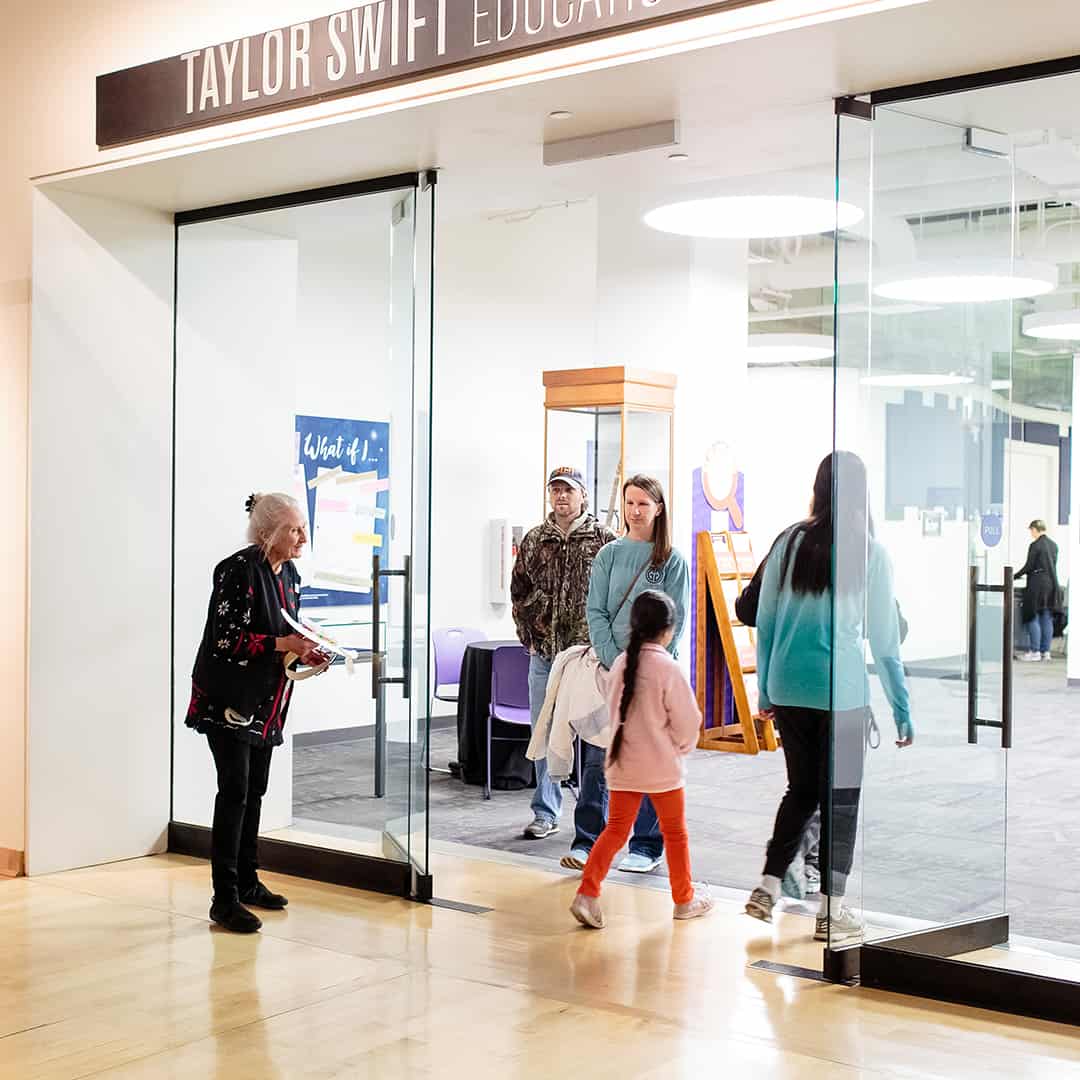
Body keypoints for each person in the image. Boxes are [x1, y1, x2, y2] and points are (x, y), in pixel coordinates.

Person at [744, 452, 913, 943]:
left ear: (818, 488)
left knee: (801, 791)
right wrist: (902, 709)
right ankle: (831, 910)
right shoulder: (870, 552)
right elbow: (885, 643)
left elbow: (768, 620)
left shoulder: (790, 542)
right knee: (840, 802)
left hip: (791, 690)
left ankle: (768, 884)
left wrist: (767, 689)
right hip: (841, 696)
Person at [186, 493, 325, 933]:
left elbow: (287, 634)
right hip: (227, 701)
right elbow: (226, 641)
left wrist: (308, 650)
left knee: (256, 790)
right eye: (293, 529)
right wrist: (286, 645)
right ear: (266, 534)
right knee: (235, 792)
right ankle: (223, 898)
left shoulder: (291, 574)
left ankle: (247, 883)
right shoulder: (238, 570)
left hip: (266, 704)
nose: (302, 535)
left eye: (303, 526)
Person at [561, 474, 690, 874]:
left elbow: (676, 618)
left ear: (659, 509)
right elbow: (595, 610)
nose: (635, 511)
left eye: (643, 504)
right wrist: (615, 658)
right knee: (600, 755)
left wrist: (645, 663)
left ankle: (647, 846)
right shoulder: (610, 555)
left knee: (651, 756)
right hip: (609, 669)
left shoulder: (672, 560)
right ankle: (588, 840)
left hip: (653, 675)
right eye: (629, 503)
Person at [570, 591, 713, 928]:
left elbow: (612, 706)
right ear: (668, 630)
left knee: (615, 831)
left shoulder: (620, 663)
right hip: (661, 768)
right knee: (675, 834)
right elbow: (689, 720)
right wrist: (680, 747)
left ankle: (587, 894)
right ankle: (683, 899)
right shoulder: (667, 667)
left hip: (622, 763)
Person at [511, 466, 616, 839]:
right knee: (543, 731)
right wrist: (528, 634)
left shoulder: (605, 539)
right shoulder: (536, 538)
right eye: (555, 490)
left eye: (568, 490)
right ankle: (545, 810)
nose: (561, 496)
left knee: (594, 736)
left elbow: (615, 596)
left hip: (588, 657)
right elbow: (518, 590)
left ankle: (592, 819)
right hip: (544, 655)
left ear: (583, 495)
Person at [1015, 519, 1060, 663]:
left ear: (1035, 529)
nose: (1031, 533)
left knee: (1032, 616)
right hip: (1051, 585)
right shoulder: (1054, 545)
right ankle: (1045, 652)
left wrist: (1014, 576)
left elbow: (1029, 566)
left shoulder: (1035, 545)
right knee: (1046, 617)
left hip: (1037, 585)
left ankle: (1035, 651)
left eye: (1031, 530)